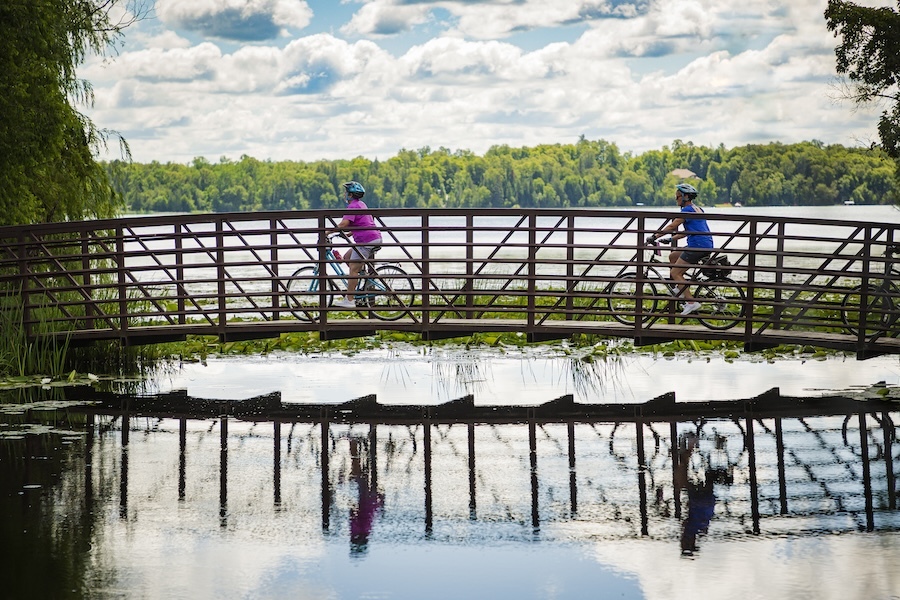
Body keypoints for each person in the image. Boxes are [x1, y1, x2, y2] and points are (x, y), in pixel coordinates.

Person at [646, 183, 713, 316]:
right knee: (673, 257)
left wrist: (654, 236)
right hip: (702, 244)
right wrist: (671, 240)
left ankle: (691, 302)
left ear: (685, 197)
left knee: (676, 273)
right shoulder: (697, 209)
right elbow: (688, 231)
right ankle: (679, 287)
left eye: (678, 197)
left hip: (697, 246)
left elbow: (672, 226)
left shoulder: (687, 210)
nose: (676, 199)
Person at [329, 181, 383, 309]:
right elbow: (363, 223)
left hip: (366, 241)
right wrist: (349, 234)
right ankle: (360, 278)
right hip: (372, 238)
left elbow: (343, 223)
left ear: (350, 195)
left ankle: (350, 300)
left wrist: (327, 231)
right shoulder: (361, 204)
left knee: (353, 268)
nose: (344, 194)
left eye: (345, 192)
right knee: (347, 259)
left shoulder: (353, 206)